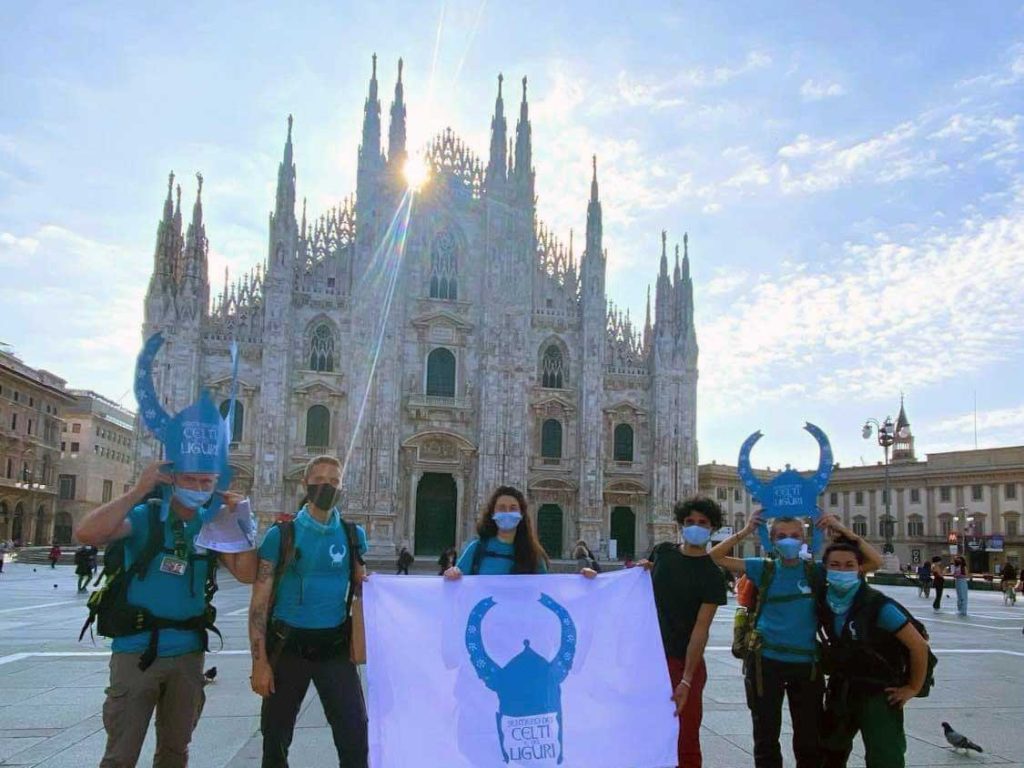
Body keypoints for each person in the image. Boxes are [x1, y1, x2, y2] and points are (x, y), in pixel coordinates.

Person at [76, 461, 257, 767]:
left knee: (175, 753)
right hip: (137, 653)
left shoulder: (210, 524)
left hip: (188, 655)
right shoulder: (147, 516)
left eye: (206, 482)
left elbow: (246, 573)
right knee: (121, 755)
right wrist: (138, 491)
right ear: (172, 480)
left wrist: (243, 523)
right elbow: (87, 533)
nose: (198, 488)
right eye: (191, 479)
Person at [711, 513, 883, 768]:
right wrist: (746, 530)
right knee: (766, 734)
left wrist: (840, 527)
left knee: (809, 738)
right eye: (781, 536)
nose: (788, 541)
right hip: (766, 662)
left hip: (807, 665)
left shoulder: (817, 572)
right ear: (771, 541)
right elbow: (715, 556)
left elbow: (874, 562)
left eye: (794, 536)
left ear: (804, 539)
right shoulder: (763, 568)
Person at [249, 454, 369, 768]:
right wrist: (259, 662)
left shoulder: (353, 536)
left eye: (333, 481)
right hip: (287, 647)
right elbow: (259, 604)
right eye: (319, 480)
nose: (326, 486)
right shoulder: (281, 535)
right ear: (306, 484)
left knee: (355, 733)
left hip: (334, 649)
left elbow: (362, 585)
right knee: (275, 737)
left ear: (342, 487)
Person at [818, 539, 932, 768]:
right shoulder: (825, 600)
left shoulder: (877, 605)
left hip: (878, 691)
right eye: (835, 565)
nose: (842, 570)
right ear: (826, 569)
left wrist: (912, 688)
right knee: (829, 752)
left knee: (884, 757)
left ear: (860, 568)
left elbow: (919, 646)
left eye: (849, 565)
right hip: (842, 688)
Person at [640, 497, 728, 768]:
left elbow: (700, 632)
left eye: (702, 523)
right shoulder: (663, 552)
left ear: (712, 528)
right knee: (646, 731)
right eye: (690, 522)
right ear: (681, 524)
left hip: (681, 662)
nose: (695, 527)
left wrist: (687, 680)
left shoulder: (712, 575)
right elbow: (640, 588)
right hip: (649, 660)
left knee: (685, 737)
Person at [445, 486, 549, 578]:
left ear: (521, 514)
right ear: (492, 514)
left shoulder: (533, 555)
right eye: (501, 508)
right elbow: (458, 582)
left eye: (513, 508)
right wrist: (452, 575)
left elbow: (543, 590)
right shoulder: (476, 548)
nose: (507, 512)